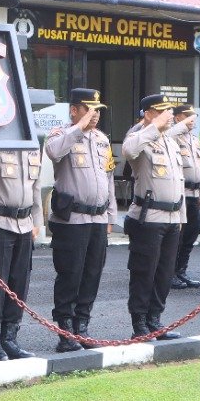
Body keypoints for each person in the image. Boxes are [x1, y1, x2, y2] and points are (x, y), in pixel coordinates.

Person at [46, 87, 116, 351]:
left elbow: (109, 178)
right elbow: (54, 153)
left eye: (98, 110)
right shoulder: (60, 134)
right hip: (72, 220)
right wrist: (79, 128)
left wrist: (110, 215)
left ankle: (82, 325)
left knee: (92, 274)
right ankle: (65, 330)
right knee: (70, 274)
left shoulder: (102, 140)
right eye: (89, 109)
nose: (94, 115)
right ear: (73, 110)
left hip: (97, 218)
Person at [121, 94, 189, 340]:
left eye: (169, 111)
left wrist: (181, 218)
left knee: (164, 273)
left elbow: (179, 182)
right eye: (162, 112)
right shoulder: (140, 137)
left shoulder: (170, 141)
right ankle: (139, 323)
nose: (168, 116)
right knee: (144, 272)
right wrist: (152, 126)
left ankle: (155, 320)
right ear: (148, 114)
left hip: (172, 217)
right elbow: (128, 150)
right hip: (149, 218)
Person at [0, 141, 43, 362]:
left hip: (25, 223)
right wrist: (5, 133)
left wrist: (37, 219)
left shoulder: (32, 142)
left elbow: (36, 184)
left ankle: (9, 339)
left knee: (19, 283)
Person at [169, 104, 200, 289]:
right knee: (178, 235)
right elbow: (169, 134)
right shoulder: (172, 136)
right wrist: (181, 126)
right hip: (180, 193)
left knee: (192, 233)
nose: (192, 119)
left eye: (193, 116)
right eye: (187, 116)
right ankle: (170, 273)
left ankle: (181, 270)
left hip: (194, 194)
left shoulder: (194, 140)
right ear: (177, 118)